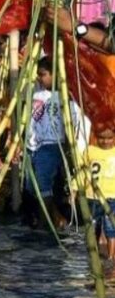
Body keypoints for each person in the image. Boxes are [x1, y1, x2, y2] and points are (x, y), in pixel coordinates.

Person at [25, 56, 78, 230]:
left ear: (54, 74)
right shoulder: (37, 94)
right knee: (33, 187)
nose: (40, 78)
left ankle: (49, 221)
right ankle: (52, 219)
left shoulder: (66, 96)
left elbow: (73, 122)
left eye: (43, 74)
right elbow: (31, 120)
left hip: (52, 143)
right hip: (35, 145)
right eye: (39, 75)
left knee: (43, 186)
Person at [79, 125, 115, 259]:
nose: (105, 141)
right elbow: (82, 172)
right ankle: (94, 255)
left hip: (112, 197)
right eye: (101, 138)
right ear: (96, 137)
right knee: (94, 227)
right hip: (92, 196)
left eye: (109, 138)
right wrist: (75, 189)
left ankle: (110, 257)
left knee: (111, 228)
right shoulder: (90, 151)